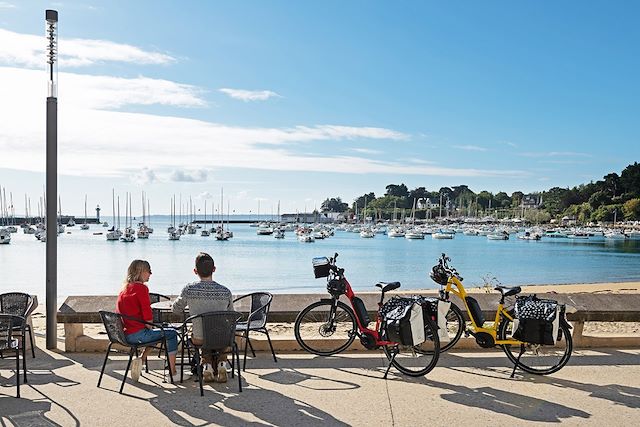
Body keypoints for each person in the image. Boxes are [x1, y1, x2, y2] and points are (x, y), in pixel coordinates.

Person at [172, 252, 233, 382]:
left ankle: (207, 365)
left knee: (201, 337)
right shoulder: (225, 291)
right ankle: (222, 363)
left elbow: (176, 309)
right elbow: (231, 315)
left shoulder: (189, 289)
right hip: (222, 338)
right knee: (217, 336)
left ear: (195, 271)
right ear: (214, 269)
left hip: (200, 338)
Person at [116, 259, 178, 381]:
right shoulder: (141, 288)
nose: (150, 274)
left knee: (157, 332)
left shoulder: (124, 289)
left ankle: (142, 359)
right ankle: (173, 373)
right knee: (171, 334)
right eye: (148, 271)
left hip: (125, 334)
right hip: (137, 335)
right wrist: (151, 326)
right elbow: (147, 315)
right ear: (141, 271)